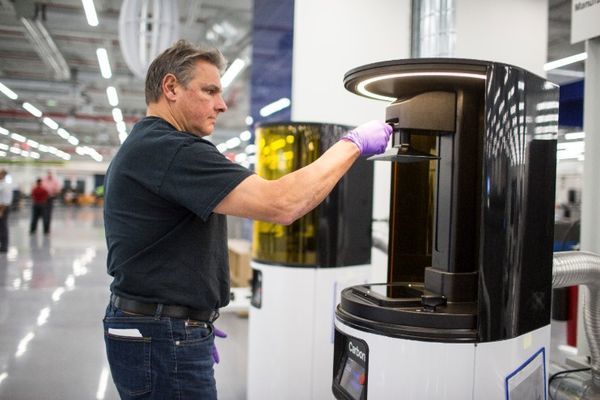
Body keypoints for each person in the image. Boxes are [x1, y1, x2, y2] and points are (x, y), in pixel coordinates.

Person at [103, 39, 391, 400]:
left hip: (162, 327)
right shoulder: (171, 149)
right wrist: (353, 143)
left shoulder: (149, 146)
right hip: (163, 334)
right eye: (210, 91)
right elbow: (283, 203)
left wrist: (195, 316)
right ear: (171, 87)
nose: (222, 105)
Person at [0, 169, 13, 253]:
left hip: (2, 208)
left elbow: (6, 200)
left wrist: (1, 210)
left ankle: (4, 247)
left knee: (3, 227)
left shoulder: (5, 185)